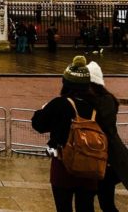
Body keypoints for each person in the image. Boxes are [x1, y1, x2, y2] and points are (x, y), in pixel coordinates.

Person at [33, 56, 109, 212]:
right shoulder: (97, 107)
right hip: (90, 165)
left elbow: (38, 124)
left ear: (65, 83)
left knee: (63, 207)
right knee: (86, 207)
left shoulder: (60, 103)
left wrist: (44, 109)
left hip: (64, 165)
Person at [87, 62, 128, 212]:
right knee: (105, 201)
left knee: (99, 201)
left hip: (107, 160)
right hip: (107, 160)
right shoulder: (106, 99)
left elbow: (103, 123)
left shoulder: (103, 101)